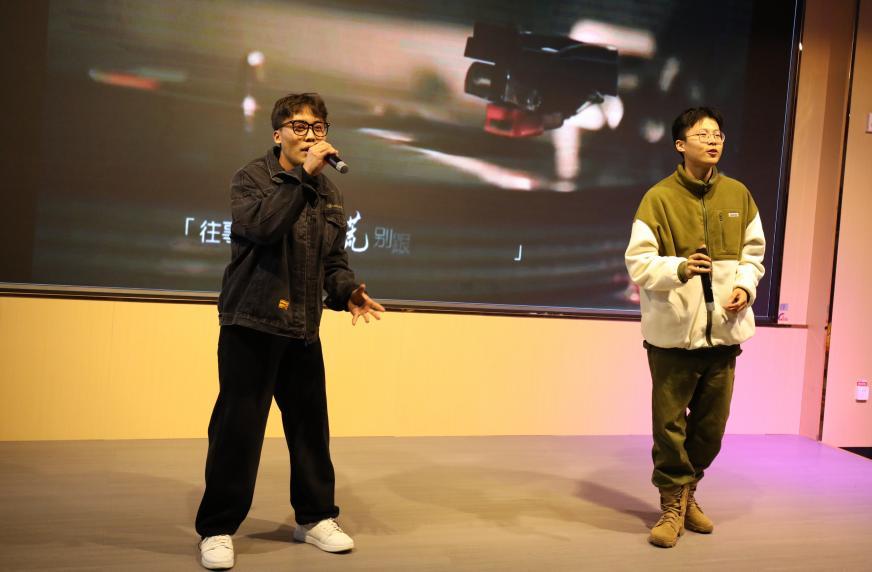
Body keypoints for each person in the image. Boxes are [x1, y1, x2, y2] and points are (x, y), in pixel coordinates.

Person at [195, 92, 385, 569]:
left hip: (302, 327)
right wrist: (302, 179)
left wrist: (347, 292)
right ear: (278, 134)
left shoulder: (329, 192)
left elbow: (332, 261)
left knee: (310, 429)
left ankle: (315, 517)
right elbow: (263, 228)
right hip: (251, 323)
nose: (310, 136)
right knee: (238, 430)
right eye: (299, 127)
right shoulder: (251, 179)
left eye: (318, 127)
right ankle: (217, 528)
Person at [624, 107, 765, 548]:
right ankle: (672, 504)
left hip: (723, 332)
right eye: (702, 135)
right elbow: (638, 263)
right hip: (673, 337)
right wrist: (680, 268)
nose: (713, 140)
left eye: (718, 134)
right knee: (669, 427)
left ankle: (686, 492)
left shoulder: (739, 195)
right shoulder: (658, 198)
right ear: (680, 145)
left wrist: (744, 286)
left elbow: (753, 255)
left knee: (710, 430)